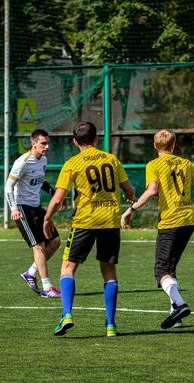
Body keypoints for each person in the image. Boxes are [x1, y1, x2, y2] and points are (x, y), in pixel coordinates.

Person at [44, 121, 136, 337]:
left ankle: (67, 314)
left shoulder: (72, 163)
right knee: (109, 272)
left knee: (67, 267)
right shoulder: (112, 160)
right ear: (96, 139)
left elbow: (58, 198)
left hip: (85, 221)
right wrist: (130, 197)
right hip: (110, 221)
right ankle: (111, 325)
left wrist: (48, 217)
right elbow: (129, 190)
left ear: (75, 141)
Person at [120, 129, 194, 329]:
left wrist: (131, 209)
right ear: (173, 146)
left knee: (161, 270)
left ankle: (180, 305)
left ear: (155, 146)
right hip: (188, 221)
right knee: (170, 268)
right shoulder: (186, 163)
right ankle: (176, 315)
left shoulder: (153, 164)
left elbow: (152, 191)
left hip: (170, 221)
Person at [5, 128, 64, 298]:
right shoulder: (22, 162)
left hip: (36, 207)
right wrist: (13, 208)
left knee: (55, 241)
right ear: (34, 144)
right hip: (22, 208)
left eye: (47, 143)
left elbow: (41, 181)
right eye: (43, 143)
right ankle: (47, 287)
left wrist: (54, 193)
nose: (46, 147)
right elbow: (9, 186)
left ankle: (30, 273)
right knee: (39, 246)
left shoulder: (42, 160)